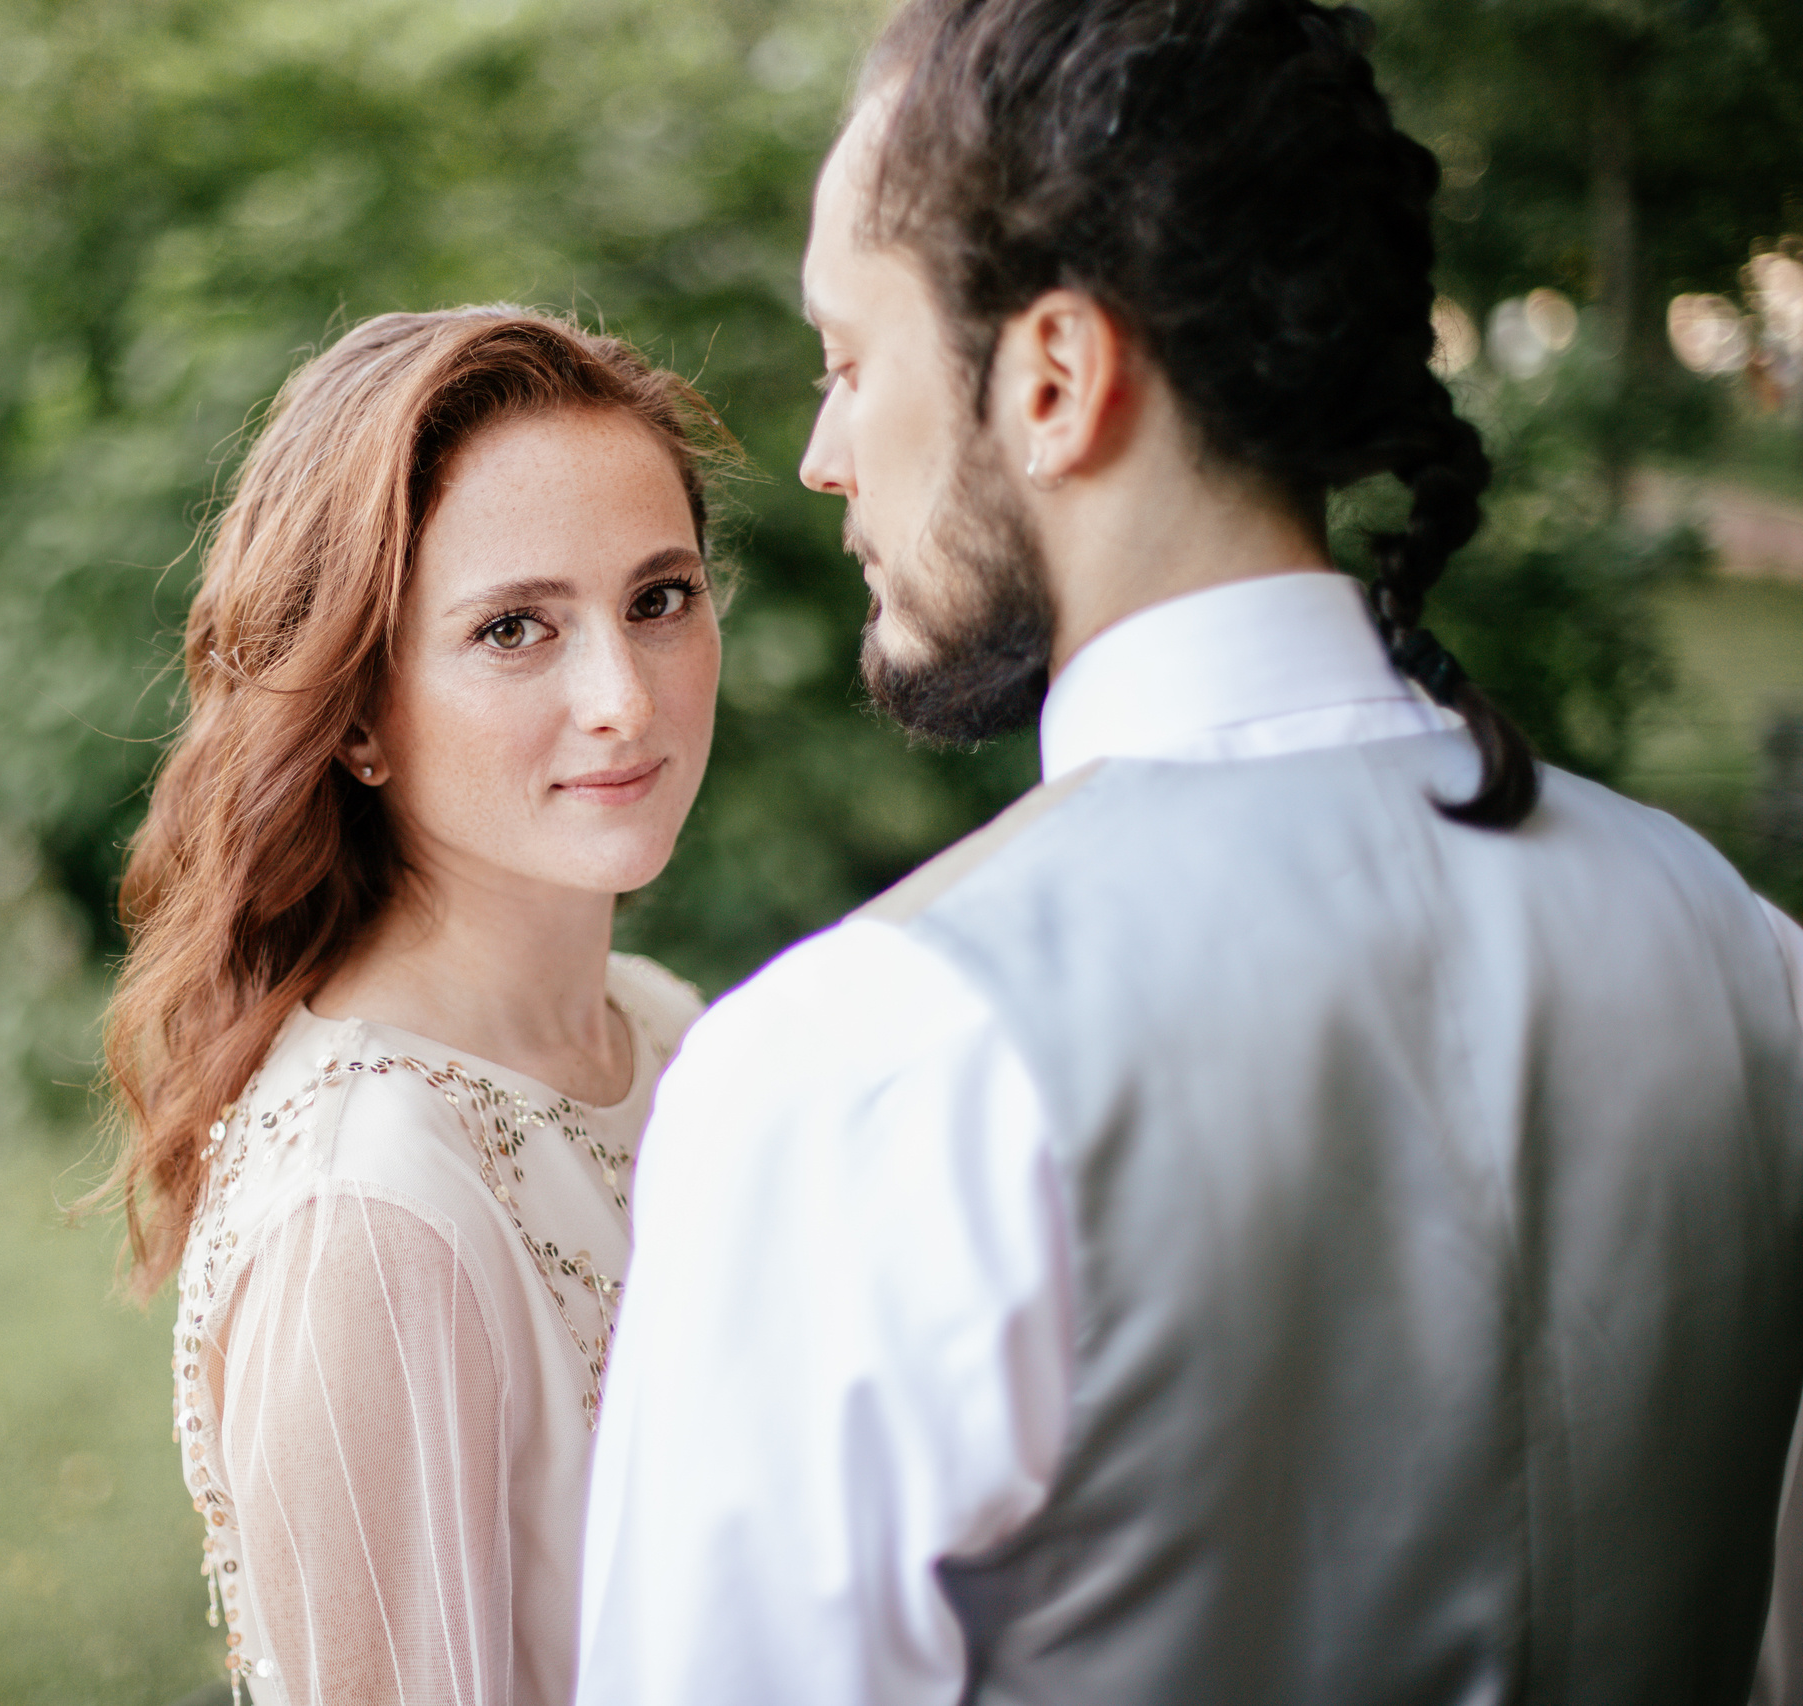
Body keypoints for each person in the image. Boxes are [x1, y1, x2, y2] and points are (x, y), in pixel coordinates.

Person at [575, 2, 1803, 1702]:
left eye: (851, 360)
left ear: (1058, 380)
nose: (821, 454)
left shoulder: (857, 1075)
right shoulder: (1746, 954)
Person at [95, 306, 725, 1706]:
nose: (622, 695)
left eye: (660, 598)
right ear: (362, 711)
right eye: (516, 627)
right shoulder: (367, 1213)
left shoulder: (675, 1032)